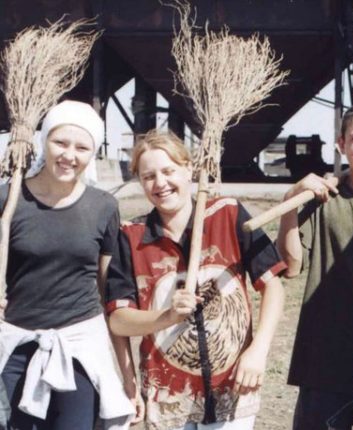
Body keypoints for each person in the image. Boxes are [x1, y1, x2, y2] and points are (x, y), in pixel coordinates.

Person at [105, 130, 286, 430]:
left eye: (168, 171)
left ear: (189, 168)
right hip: (168, 398)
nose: (160, 183)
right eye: (149, 176)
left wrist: (259, 351)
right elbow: (119, 321)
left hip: (233, 389)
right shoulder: (130, 236)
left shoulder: (227, 214)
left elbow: (273, 286)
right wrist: (168, 316)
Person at [0, 100, 134, 428]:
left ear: (92, 153)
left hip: (79, 347)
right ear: (43, 140)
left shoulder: (103, 207)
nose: (69, 155)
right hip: (16, 344)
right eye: (60, 142)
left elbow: (108, 292)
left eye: (82, 147)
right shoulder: (8, 199)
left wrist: (128, 374)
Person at [278, 101, 353, 430]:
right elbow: (290, 265)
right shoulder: (322, 199)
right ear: (341, 144)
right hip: (326, 353)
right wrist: (290, 201)